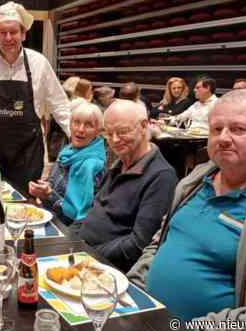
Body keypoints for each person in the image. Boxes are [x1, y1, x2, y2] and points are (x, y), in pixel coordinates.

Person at [128, 89, 246, 331]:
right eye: (216, 129)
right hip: (143, 317)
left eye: (238, 129)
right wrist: (132, 289)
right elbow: (160, 243)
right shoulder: (193, 181)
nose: (223, 138)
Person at [0, 1, 70, 194]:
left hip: (27, 154)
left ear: (24, 34)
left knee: (25, 208)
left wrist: (76, 136)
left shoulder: (39, 63)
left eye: (14, 32)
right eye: (3, 32)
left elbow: (60, 105)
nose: (8, 37)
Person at [71, 100, 178, 271]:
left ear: (144, 126)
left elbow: (138, 244)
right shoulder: (119, 164)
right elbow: (93, 211)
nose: (114, 140)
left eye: (122, 132)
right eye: (109, 133)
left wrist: (87, 253)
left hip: (104, 269)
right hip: (81, 253)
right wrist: (68, 238)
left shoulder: (161, 177)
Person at [29, 103, 106, 225]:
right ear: (69, 124)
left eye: (88, 125)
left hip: (70, 232)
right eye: (76, 122)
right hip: (50, 219)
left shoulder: (92, 166)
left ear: (98, 131)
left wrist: (49, 194)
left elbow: (77, 216)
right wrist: (43, 188)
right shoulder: (68, 151)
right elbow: (53, 184)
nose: (80, 129)